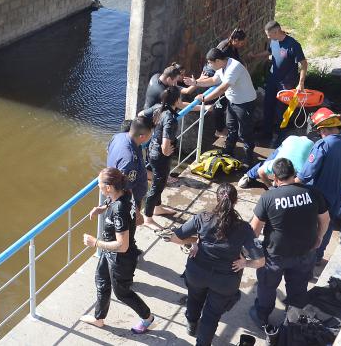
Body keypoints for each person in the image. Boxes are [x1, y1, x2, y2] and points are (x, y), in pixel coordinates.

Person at [166, 183, 265, 346]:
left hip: (197, 272)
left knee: (194, 298)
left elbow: (175, 238)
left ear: (216, 198)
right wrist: (244, 263)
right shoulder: (244, 228)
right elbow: (260, 261)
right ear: (236, 201)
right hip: (225, 281)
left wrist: (196, 242)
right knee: (211, 315)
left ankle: (191, 326)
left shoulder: (202, 218)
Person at [249, 158, 330, 327]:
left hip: (275, 255)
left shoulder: (269, 197)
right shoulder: (313, 193)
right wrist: (320, 237)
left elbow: (254, 230)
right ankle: (294, 321)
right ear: (294, 175)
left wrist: (250, 253)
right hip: (305, 252)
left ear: (276, 179)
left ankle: (262, 315)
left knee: (267, 287)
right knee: (299, 288)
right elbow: (325, 219)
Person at [81, 167, 155, 333]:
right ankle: (99, 318)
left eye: (99, 184)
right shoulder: (126, 193)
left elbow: (123, 245)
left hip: (121, 259)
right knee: (101, 281)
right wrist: (103, 207)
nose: (98, 187)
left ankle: (147, 317)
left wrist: (95, 243)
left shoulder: (120, 210)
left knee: (122, 293)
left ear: (108, 187)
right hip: (109, 255)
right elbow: (138, 220)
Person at [296, 108, 341, 264]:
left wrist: (286, 186)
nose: (320, 134)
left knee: (311, 226)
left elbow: (306, 175)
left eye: (320, 131)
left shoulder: (323, 145)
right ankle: (318, 257)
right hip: (337, 197)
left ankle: (305, 258)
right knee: (326, 226)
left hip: (317, 197)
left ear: (324, 129)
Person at [192, 48, 258, 166]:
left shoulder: (234, 67)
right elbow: (213, 80)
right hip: (233, 101)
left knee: (244, 132)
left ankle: (248, 158)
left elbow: (222, 88)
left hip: (245, 103)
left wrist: (204, 99)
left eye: (210, 63)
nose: (209, 65)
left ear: (217, 61)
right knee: (231, 126)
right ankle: (228, 151)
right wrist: (196, 83)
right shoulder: (222, 66)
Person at [250, 21, 308, 147]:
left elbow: (303, 64)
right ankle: (267, 133)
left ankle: (281, 137)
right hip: (272, 80)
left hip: (286, 83)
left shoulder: (293, 45)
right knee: (268, 105)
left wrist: (301, 83)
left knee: (282, 111)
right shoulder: (274, 41)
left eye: (269, 35)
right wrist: (255, 56)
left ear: (276, 31)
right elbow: (270, 52)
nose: (268, 37)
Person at [191, 29, 248, 138]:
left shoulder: (232, 46)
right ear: (235, 40)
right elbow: (213, 67)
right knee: (219, 104)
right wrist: (201, 88)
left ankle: (222, 126)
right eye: (241, 42)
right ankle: (219, 129)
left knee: (222, 102)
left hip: (220, 75)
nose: (242, 44)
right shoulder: (224, 48)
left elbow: (237, 59)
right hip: (215, 75)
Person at [142, 86, 183, 230]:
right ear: (177, 100)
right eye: (180, 98)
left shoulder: (159, 108)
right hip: (160, 158)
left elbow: (141, 114)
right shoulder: (170, 118)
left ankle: (157, 208)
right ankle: (147, 218)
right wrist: (166, 151)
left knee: (157, 183)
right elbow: (165, 144)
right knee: (157, 186)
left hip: (151, 151)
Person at [107, 116, 154, 222]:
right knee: (127, 235)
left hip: (116, 197)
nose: (151, 137)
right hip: (126, 206)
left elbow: (109, 151)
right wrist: (137, 213)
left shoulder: (118, 137)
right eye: (150, 134)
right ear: (142, 136)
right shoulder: (129, 158)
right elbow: (127, 190)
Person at [238, 135, 314, 188]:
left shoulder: (302, 171)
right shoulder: (274, 164)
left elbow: (303, 180)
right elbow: (260, 171)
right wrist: (270, 187)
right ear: (275, 176)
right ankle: (248, 175)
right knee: (267, 162)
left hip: (308, 144)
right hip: (290, 141)